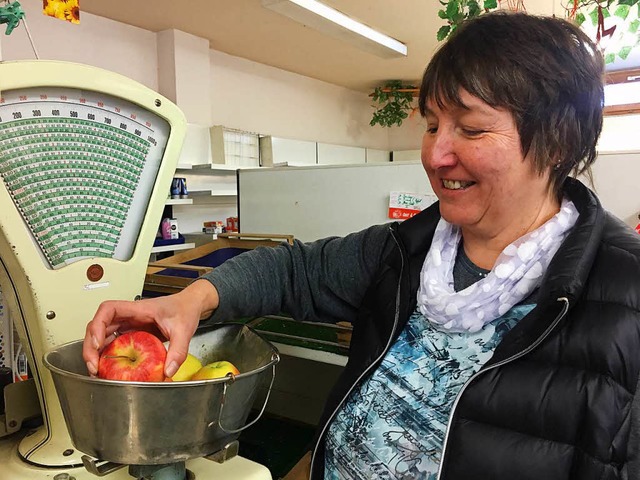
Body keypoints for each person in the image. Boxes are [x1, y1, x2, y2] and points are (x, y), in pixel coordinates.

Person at [83, 11, 640, 480]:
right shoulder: (406, 252)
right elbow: (292, 271)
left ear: (558, 142)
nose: (435, 154)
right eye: (430, 124)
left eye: (470, 130)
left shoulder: (623, 298)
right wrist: (187, 302)